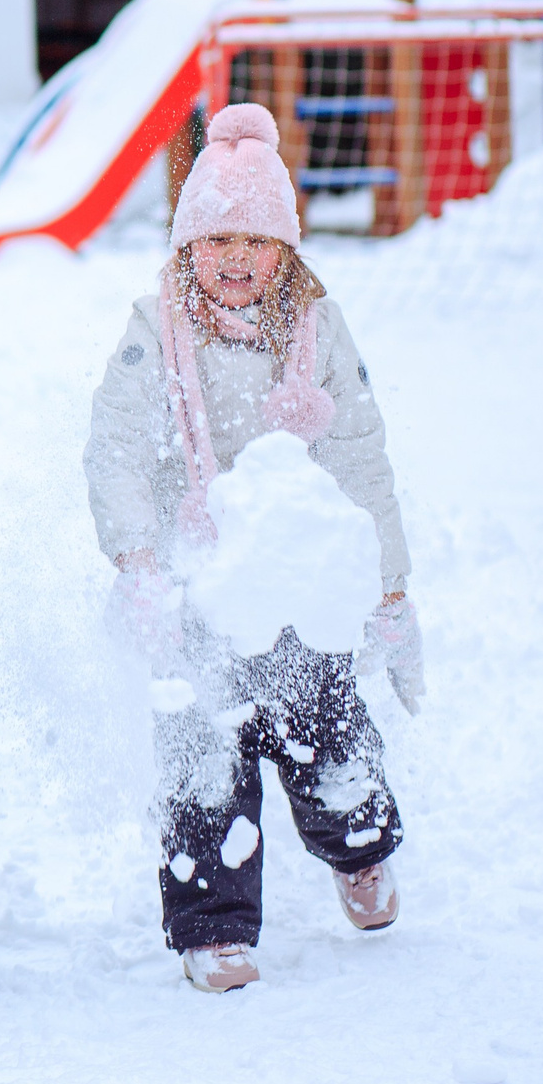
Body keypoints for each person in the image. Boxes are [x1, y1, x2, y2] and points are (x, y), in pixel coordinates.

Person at [85, 104, 414, 993]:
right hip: (195, 580)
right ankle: (213, 924)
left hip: (296, 579)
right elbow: (115, 445)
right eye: (218, 237)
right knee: (202, 757)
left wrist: (386, 583)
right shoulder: (156, 332)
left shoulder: (317, 330)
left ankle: (359, 845)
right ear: (188, 244)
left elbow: (357, 452)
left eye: (258, 240)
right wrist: (138, 561)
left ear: (289, 251)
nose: (237, 258)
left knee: (326, 736)